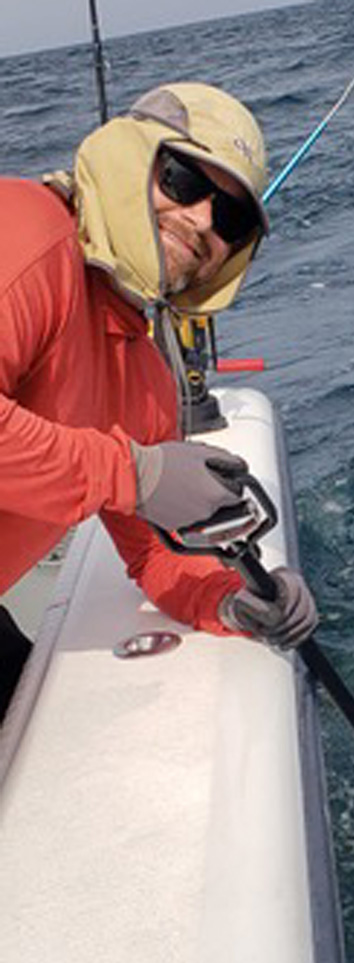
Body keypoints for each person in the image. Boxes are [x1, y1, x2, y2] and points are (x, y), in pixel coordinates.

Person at [0, 82, 318, 722]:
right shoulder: (23, 227)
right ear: (132, 157)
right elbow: (131, 480)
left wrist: (232, 598)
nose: (202, 220)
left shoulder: (143, 378)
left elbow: (153, 553)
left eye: (229, 219)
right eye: (180, 179)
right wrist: (136, 473)